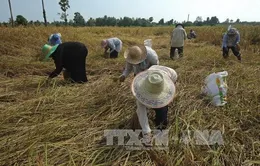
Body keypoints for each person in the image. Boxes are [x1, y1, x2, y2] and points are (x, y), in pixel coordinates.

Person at [131, 65, 177, 146]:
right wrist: (147, 132)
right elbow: (141, 112)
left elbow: (171, 90)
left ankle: (160, 129)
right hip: (153, 69)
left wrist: (168, 99)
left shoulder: (172, 74)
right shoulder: (140, 91)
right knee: (143, 106)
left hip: (170, 74)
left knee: (162, 110)